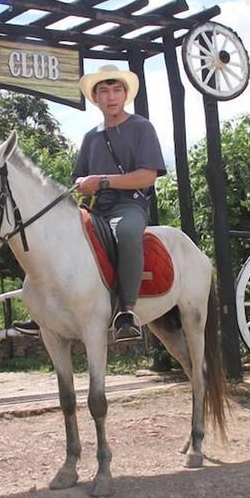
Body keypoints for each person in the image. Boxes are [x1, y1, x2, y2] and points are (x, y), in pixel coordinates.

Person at [72, 64, 167, 341]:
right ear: (96, 98)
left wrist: (101, 180)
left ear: (125, 95)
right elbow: (78, 177)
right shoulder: (91, 137)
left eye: (117, 90)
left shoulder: (141, 127)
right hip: (95, 208)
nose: (111, 96)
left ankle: (127, 311)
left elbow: (147, 177)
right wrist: (81, 184)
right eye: (104, 91)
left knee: (125, 232)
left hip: (129, 205)